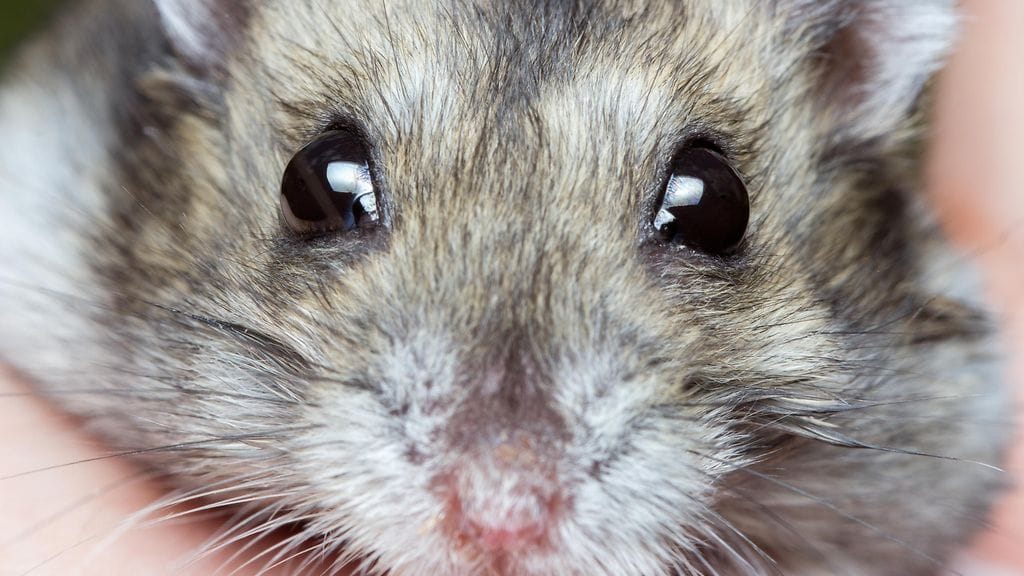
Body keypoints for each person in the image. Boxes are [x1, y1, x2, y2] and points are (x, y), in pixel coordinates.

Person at [0, 1, 1021, 573]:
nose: (498, 496)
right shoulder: (72, 186)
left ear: (855, 57)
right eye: (337, 199)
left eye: (696, 215)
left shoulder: (890, 366)